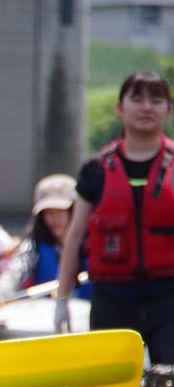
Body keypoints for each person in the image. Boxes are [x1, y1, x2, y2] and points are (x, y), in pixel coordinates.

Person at [56, 71, 174, 365]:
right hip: (112, 296)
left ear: (168, 109)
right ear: (120, 108)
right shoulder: (95, 170)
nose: (146, 107)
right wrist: (62, 299)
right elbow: (75, 235)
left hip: (170, 297)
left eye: (156, 100)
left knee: (168, 386)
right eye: (137, 100)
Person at [0, 174, 90, 304]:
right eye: (48, 212)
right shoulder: (33, 247)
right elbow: (15, 272)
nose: (54, 219)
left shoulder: (93, 245)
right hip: (44, 315)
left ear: (75, 210)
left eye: (59, 211)